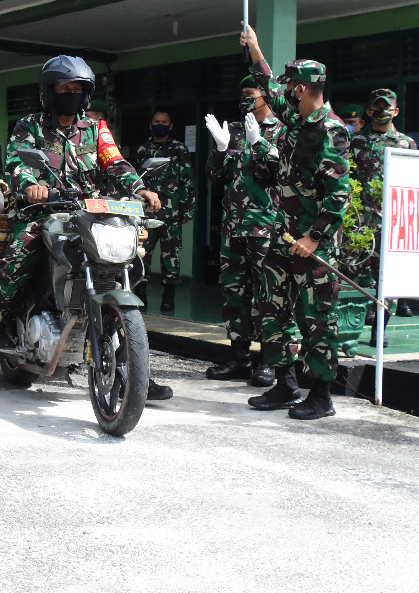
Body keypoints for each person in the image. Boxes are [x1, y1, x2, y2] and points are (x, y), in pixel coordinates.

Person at [0, 55, 172, 402]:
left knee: (129, 257)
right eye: (64, 88)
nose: (71, 94)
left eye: (77, 89)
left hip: (88, 212)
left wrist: (138, 187)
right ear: (49, 93)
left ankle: (137, 368)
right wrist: (31, 183)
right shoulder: (29, 125)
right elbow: (19, 162)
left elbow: (115, 160)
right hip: (41, 210)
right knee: (17, 259)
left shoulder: (96, 129)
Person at [240, 25, 351, 420]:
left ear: (302, 89)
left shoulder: (330, 130)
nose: (284, 90)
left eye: (291, 85)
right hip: (282, 235)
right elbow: (267, 86)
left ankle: (320, 394)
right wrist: (254, 48)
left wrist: (314, 237)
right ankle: (284, 383)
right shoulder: (297, 118)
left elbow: (340, 195)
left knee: (317, 318)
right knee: (273, 308)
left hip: (311, 244)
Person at [204, 79, 283, 385]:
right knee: (234, 295)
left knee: (267, 296)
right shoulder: (234, 129)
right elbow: (216, 176)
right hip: (234, 227)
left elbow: (279, 173)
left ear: (266, 98)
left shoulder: (281, 131)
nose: (245, 101)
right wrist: (222, 149)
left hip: (267, 229)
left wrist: (258, 143)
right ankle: (239, 358)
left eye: (250, 95)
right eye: (242, 96)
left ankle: (267, 362)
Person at [348, 88, 418, 344]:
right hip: (357, 223)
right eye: (376, 107)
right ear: (369, 110)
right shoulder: (355, 142)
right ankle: (348, 328)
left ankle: (380, 329)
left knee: (385, 279)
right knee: (351, 276)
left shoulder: (406, 144)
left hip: (389, 224)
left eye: (386, 107)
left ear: (395, 111)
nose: (381, 112)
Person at [135, 110, 195, 314]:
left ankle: (169, 297)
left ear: (170, 126)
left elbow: (187, 179)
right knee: (142, 255)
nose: (160, 124)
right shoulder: (144, 149)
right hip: (146, 213)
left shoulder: (178, 148)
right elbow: (137, 181)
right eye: (156, 122)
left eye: (164, 122)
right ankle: (141, 295)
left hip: (172, 212)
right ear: (150, 125)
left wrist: (187, 209)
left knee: (171, 257)